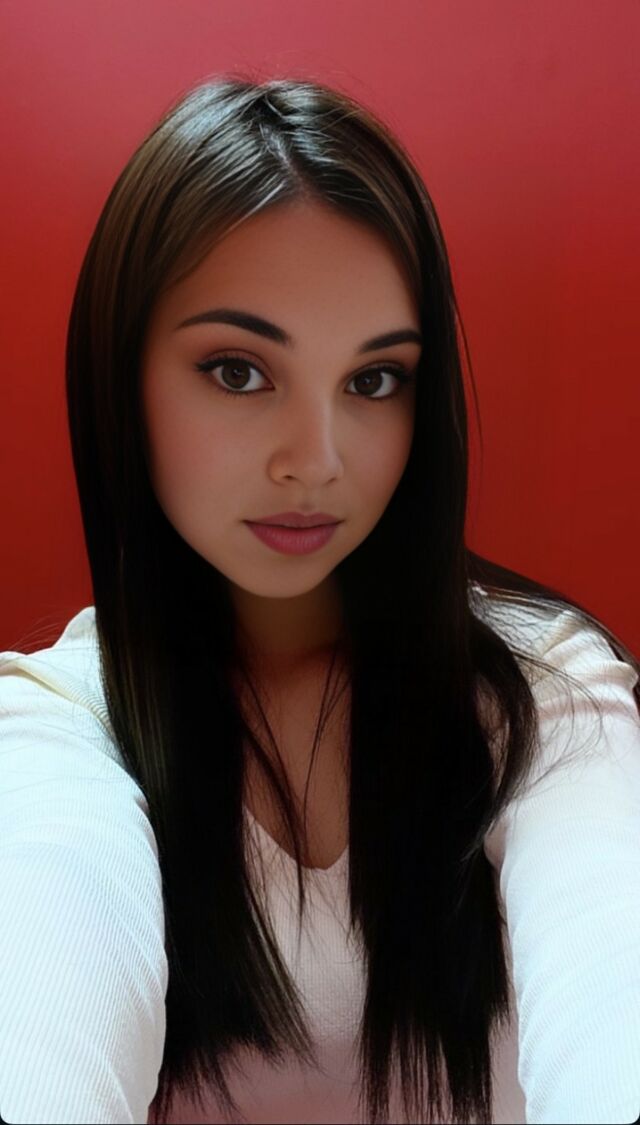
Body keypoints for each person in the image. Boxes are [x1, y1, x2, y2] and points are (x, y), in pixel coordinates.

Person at [0, 75, 639, 1125]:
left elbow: (612, 974)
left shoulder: (540, 686)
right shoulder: (60, 721)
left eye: (374, 380)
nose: (318, 460)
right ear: (123, 377)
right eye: (238, 371)